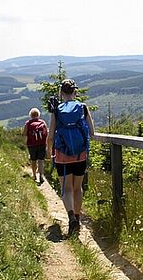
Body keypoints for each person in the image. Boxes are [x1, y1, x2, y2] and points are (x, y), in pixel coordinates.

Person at [47, 79, 95, 237]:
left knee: (66, 188)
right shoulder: (83, 107)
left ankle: (70, 217)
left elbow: (51, 133)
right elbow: (92, 132)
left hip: (62, 155)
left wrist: (49, 151)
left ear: (61, 93)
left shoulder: (57, 110)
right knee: (77, 188)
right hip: (80, 155)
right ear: (75, 92)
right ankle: (77, 217)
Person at [23, 107, 48, 185]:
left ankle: (34, 175)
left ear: (30, 115)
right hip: (42, 144)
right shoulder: (42, 122)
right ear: (38, 115)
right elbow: (46, 133)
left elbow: (24, 133)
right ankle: (41, 175)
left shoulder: (28, 123)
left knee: (33, 160)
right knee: (41, 160)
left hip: (31, 145)